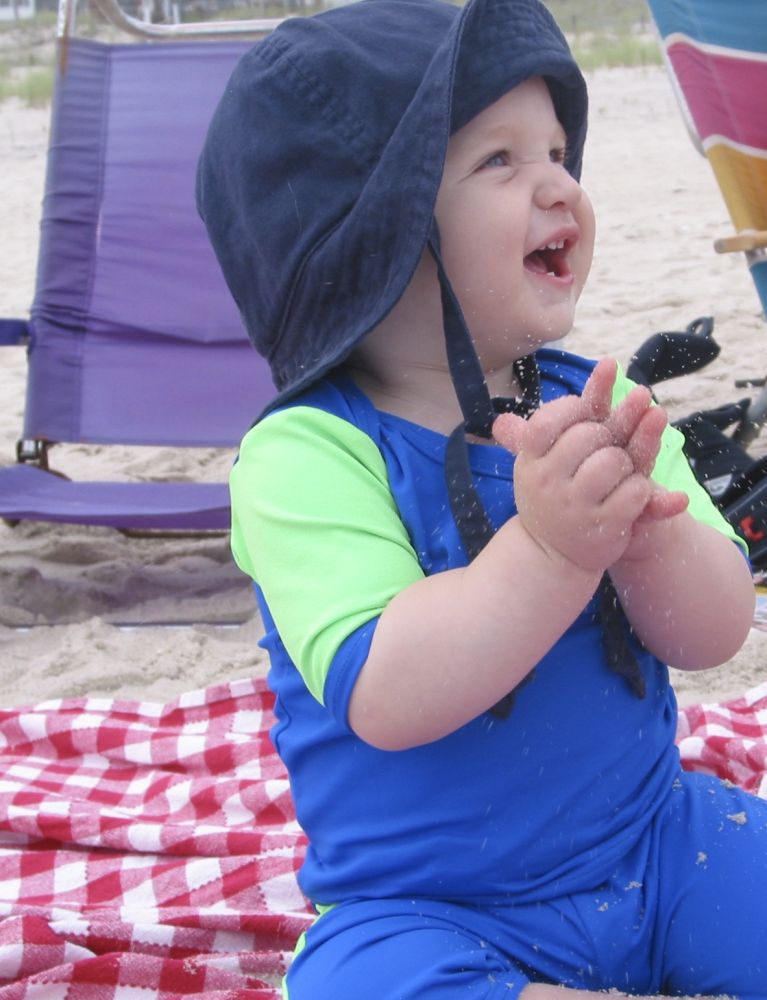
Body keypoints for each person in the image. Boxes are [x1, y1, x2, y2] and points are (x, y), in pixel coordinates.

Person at [196, 0, 766, 997]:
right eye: (498, 160)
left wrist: (644, 537)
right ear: (371, 233)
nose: (559, 184)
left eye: (557, 151)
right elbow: (389, 692)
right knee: (357, 984)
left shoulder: (601, 408)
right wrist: (549, 551)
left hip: (656, 845)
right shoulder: (307, 455)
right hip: (427, 907)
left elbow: (712, 633)